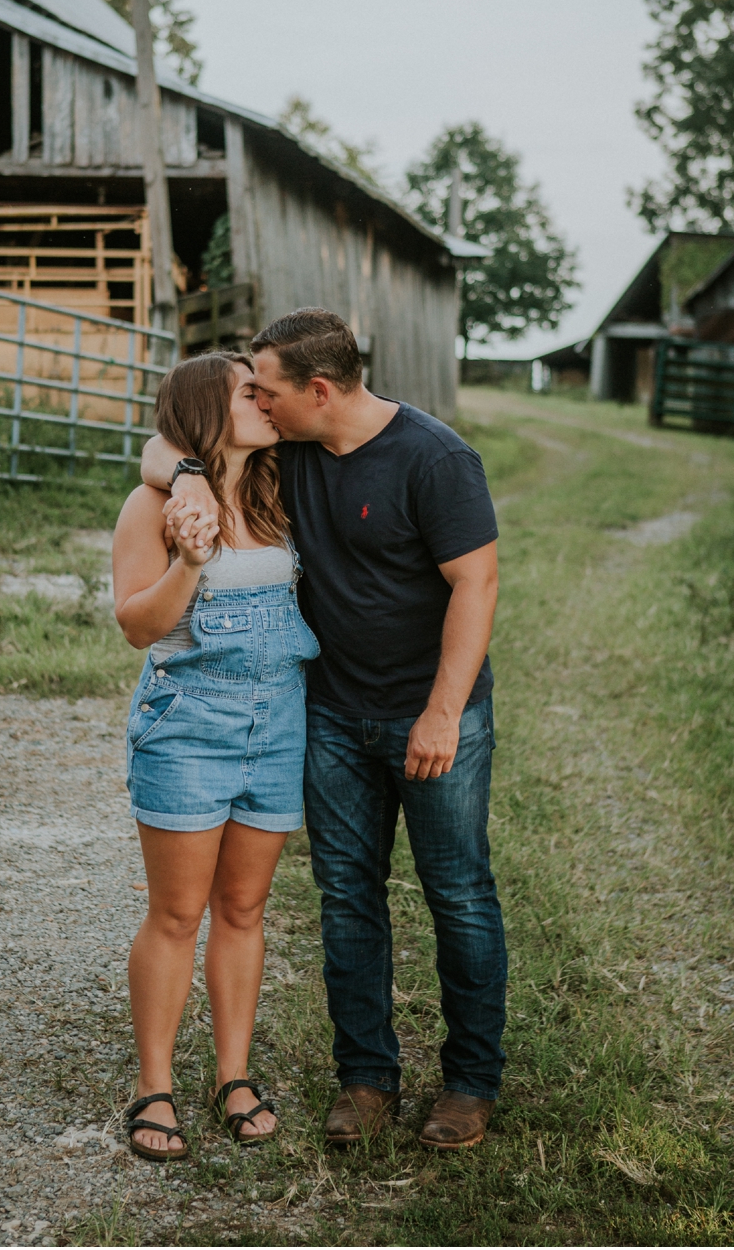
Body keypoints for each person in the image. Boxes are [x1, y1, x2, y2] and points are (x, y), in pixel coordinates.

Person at [141, 308, 503, 1152]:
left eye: (267, 390)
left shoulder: (436, 458)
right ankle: (366, 1077)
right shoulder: (290, 454)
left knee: (458, 894)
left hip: (434, 710)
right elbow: (162, 441)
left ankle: (470, 1083)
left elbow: (476, 585)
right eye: (251, 395)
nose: (259, 405)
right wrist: (189, 474)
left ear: (317, 390)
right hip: (332, 713)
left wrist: (443, 711)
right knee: (348, 899)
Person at [111, 352, 320, 1159]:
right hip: (189, 724)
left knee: (244, 910)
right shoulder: (150, 506)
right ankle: (153, 1084)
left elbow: (162, 443)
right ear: (207, 408)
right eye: (247, 391)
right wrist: (191, 566)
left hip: (278, 725)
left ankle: (233, 1073)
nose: (266, 400)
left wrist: (197, 470)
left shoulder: (278, 489)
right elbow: (138, 625)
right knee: (175, 914)